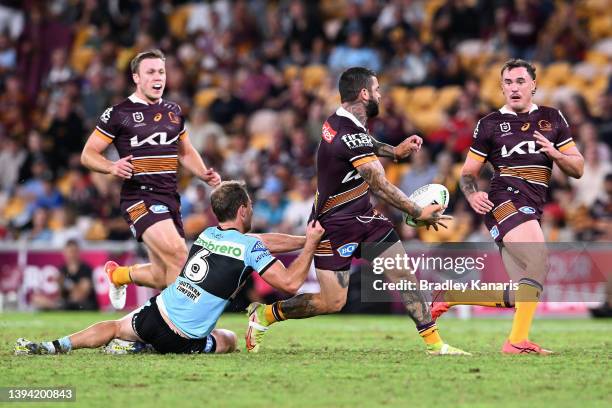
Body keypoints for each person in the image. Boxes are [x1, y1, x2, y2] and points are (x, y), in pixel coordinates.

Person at [246, 67, 470, 356]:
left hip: (366, 218)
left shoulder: (344, 122)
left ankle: (435, 345)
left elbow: (366, 144)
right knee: (332, 302)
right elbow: (381, 185)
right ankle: (266, 315)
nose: (380, 94)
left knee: (403, 275)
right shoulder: (346, 134)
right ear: (364, 94)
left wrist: (394, 151)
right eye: (376, 90)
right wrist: (418, 211)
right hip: (334, 225)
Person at [15, 181, 325, 356]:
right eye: (251, 207)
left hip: (153, 314)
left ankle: (53, 345)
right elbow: (290, 284)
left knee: (113, 327)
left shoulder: (207, 234)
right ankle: (142, 349)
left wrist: (302, 238)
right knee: (228, 338)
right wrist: (311, 244)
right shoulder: (249, 247)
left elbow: (261, 240)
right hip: (182, 339)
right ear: (243, 210)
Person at [432, 59, 584, 354]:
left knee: (524, 292)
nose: (514, 88)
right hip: (504, 199)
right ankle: (517, 342)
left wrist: (556, 153)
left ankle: (453, 295)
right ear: (501, 88)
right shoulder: (489, 124)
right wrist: (472, 193)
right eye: (508, 83)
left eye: (520, 82)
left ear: (533, 85)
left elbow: (577, 168)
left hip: (533, 203)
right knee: (539, 261)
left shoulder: (552, 118)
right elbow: (467, 173)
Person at [80, 49, 221, 309]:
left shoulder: (174, 111)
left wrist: (202, 173)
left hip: (169, 197)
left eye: (161, 71)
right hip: (139, 196)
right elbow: (88, 155)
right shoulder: (118, 113)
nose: (158, 77)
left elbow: (185, 151)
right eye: (151, 72)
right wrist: (111, 167)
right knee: (180, 256)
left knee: (161, 274)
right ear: (136, 77)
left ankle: (119, 276)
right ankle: (176, 328)